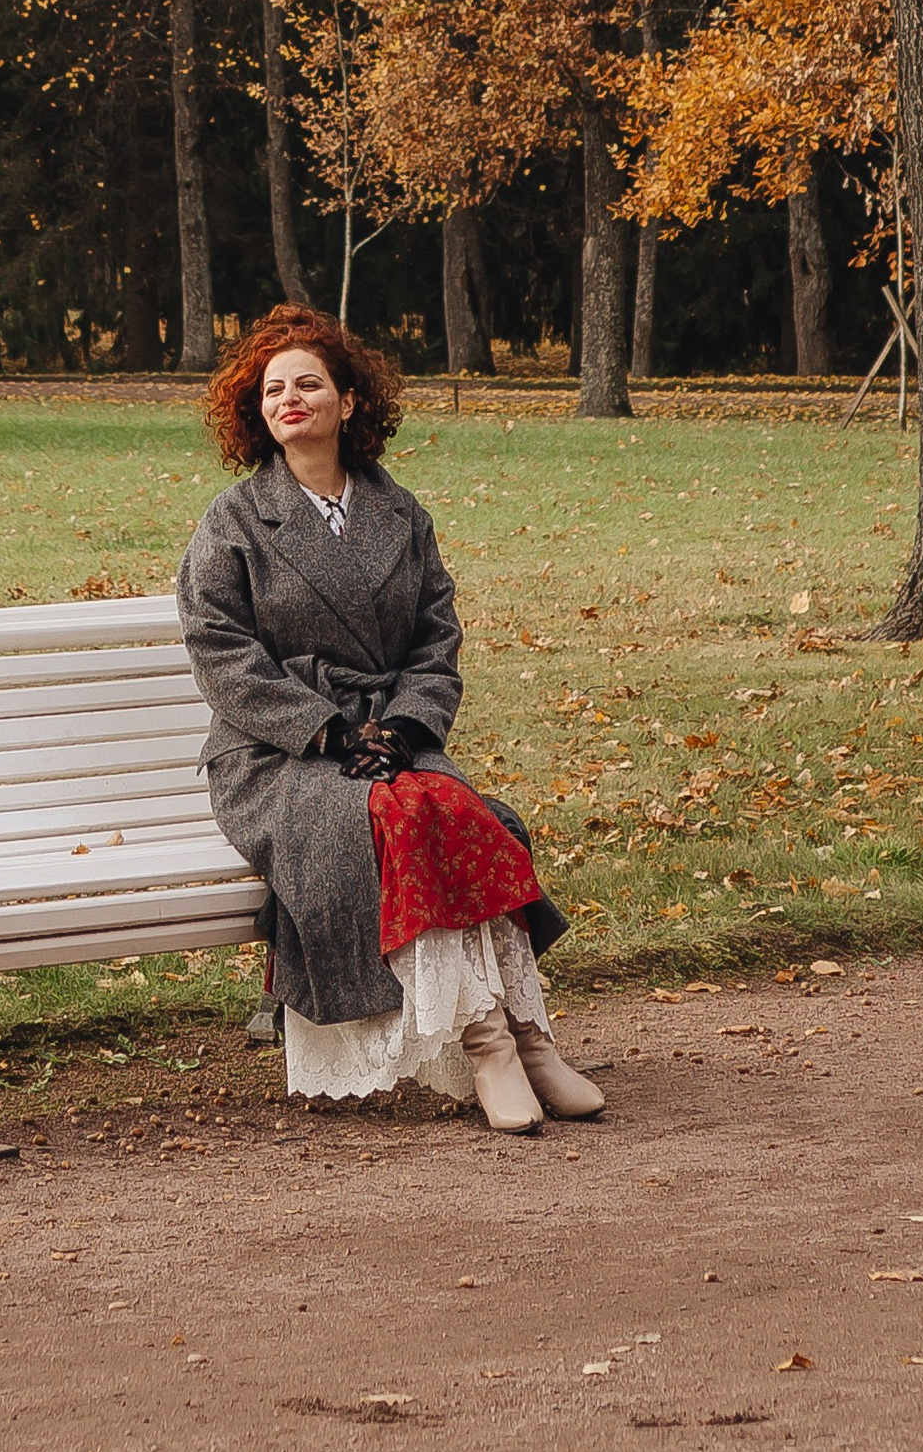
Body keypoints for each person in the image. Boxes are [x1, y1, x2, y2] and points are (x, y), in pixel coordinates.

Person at [175, 303, 605, 1134]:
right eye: (273, 389)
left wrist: (404, 728)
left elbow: (436, 640)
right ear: (256, 412)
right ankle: (489, 1047)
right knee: (400, 817)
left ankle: (531, 1038)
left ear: (348, 402)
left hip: (388, 738)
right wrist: (328, 731)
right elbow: (220, 653)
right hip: (277, 755)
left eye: (308, 384)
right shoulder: (234, 521)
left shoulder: (400, 514)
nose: (289, 399)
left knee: (456, 808)